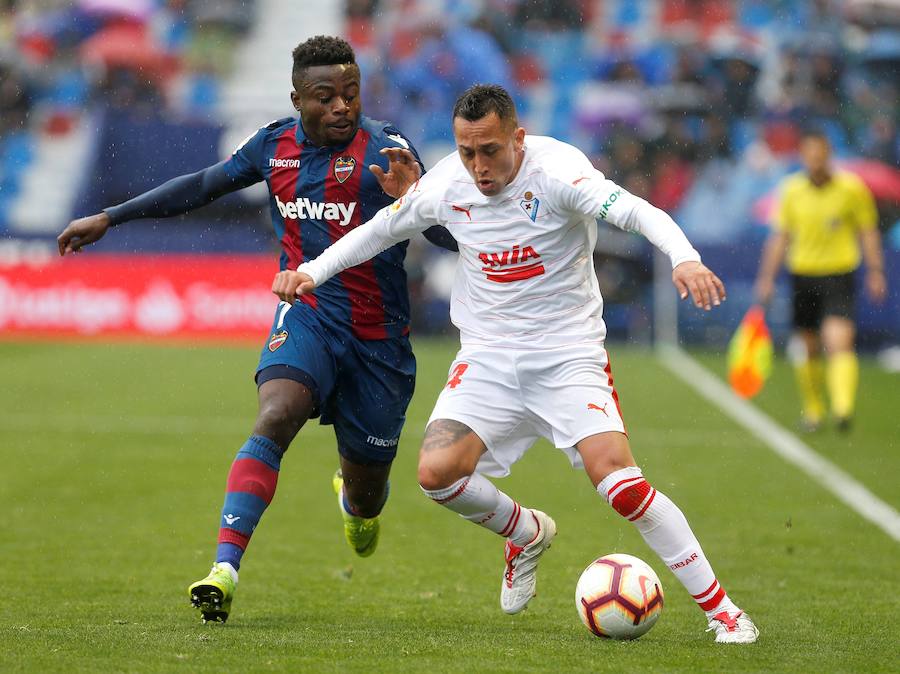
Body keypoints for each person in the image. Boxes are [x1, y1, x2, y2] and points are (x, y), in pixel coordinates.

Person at [272, 84, 759, 644]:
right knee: (435, 476)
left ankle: (724, 611)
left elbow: (638, 212)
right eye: (466, 151)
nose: (478, 166)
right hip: (489, 358)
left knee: (621, 485)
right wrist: (313, 271)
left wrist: (686, 258)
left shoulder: (559, 175)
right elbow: (380, 231)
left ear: (518, 138)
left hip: (568, 354)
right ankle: (526, 533)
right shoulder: (446, 184)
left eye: (490, 151)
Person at [57, 35, 457, 624]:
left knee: (368, 490)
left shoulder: (388, 150)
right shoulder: (274, 147)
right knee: (275, 414)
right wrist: (111, 218)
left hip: (380, 338)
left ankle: (355, 503)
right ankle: (224, 568)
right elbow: (201, 186)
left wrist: (421, 198)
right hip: (308, 316)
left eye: (351, 93)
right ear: (297, 97)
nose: (342, 106)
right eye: (326, 97)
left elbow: (450, 238)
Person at [754, 131, 886, 432]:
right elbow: (780, 237)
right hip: (803, 274)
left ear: (829, 155)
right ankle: (814, 410)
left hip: (839, 273)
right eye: (810, 154)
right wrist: (766, 278)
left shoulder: (852, 189)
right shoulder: (791, 190)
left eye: (820, 154)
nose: (815, 160)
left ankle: (842, 409)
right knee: (809, 345)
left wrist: (876, 270)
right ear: (803, 156)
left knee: (839, 340)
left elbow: (867, 231)